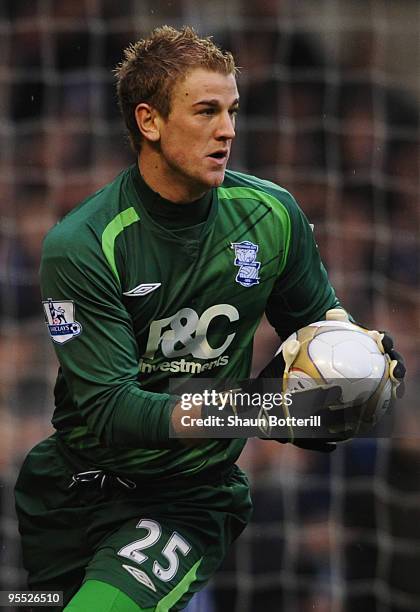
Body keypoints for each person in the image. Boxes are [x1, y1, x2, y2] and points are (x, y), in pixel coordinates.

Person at [14, 26, 404, 612]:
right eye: (205, 111)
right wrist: (266, 407)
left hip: (190, 498)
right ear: (149, 122)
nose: (228, 130)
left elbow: (321, 325)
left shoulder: (272, 215)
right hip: (72, 495)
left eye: (232, 110)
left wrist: (360, 365)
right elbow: (111, 409)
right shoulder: (85, 244)